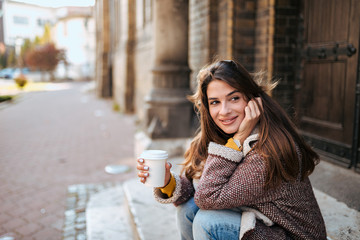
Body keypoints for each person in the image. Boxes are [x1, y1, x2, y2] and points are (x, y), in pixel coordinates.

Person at [137, 59, 327, 239]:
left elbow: (207, 196)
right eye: (215, 102)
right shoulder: (223, 136)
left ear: (252, 100)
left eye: (234, 98)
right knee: (189, 210)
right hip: (265, 227)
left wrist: (238, 139)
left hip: (289, 236)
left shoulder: (267, 152)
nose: (224, 111)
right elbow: (198, 190)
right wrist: (166, 182)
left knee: (208, 222)